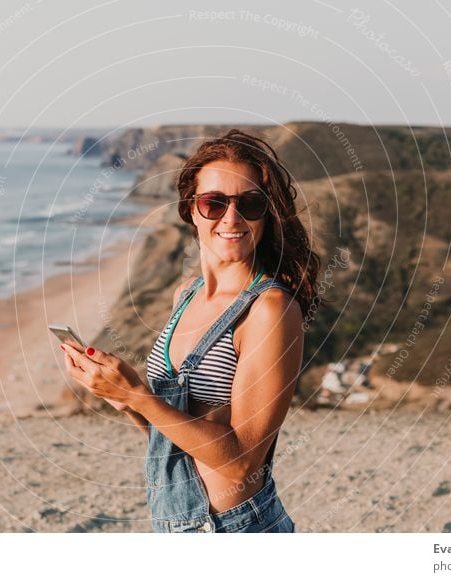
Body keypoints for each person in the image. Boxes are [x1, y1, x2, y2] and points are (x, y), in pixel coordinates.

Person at [61, 129, 320, 532]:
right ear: (191, 209)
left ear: (268, 214)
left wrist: (138, 396)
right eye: (214, 203)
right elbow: (174, 441)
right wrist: (126, 400)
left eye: (250, 203)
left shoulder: (269, 309)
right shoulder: (187, 294)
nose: (231, 218)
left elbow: (242, 464)